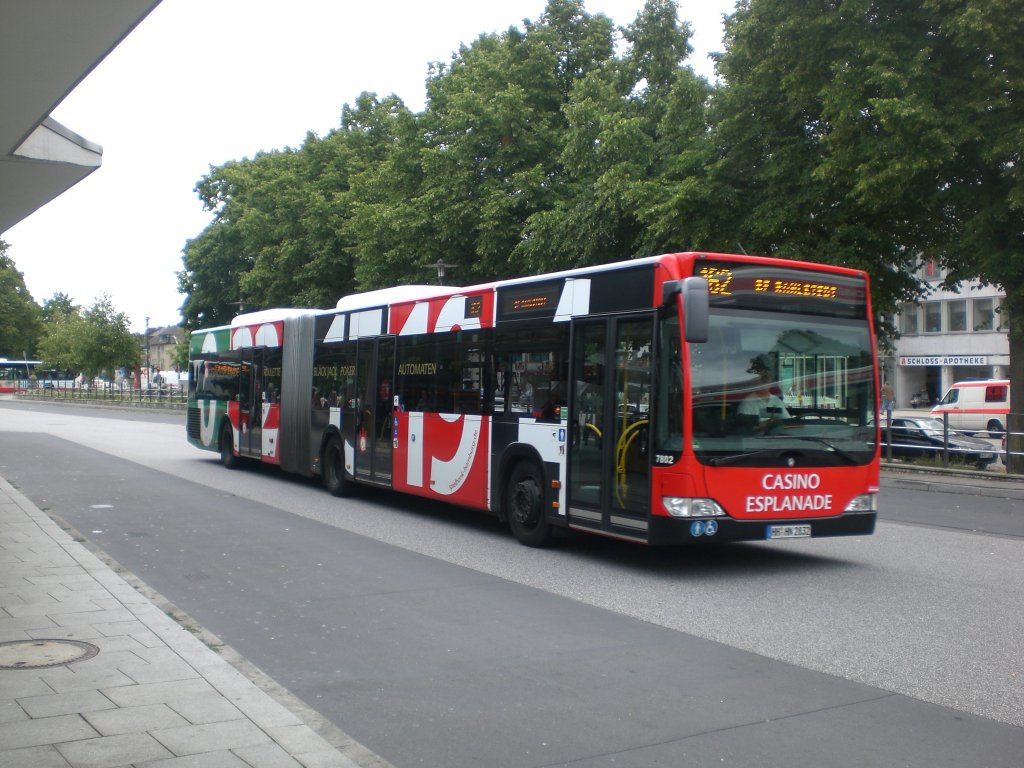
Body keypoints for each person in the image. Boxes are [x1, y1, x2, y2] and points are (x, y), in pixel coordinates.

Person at [738, 357, 790, 433]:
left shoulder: (777, 401)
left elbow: (788, 423)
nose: (765, 382)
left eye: (767, 378)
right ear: (755, 382)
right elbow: (746, 430)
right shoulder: (747, 403)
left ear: (771, 380)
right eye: (762, 379)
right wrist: (768, 423)